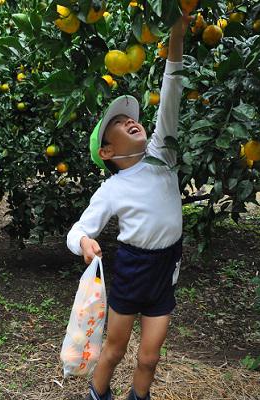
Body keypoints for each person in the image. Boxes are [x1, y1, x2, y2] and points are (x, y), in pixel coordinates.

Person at [66, 14, 190, 400]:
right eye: (119, 123)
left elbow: (172, 88)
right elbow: (78, 231)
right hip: (133, 268)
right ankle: (97, 394)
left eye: (131, 119)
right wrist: (85, 244)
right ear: (107, 151)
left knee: (149, 357)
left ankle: (139, 397)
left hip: (166, 265)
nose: (131, 122)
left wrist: (177, 34)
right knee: (115, 349)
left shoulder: (162, 154)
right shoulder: (112, 188)